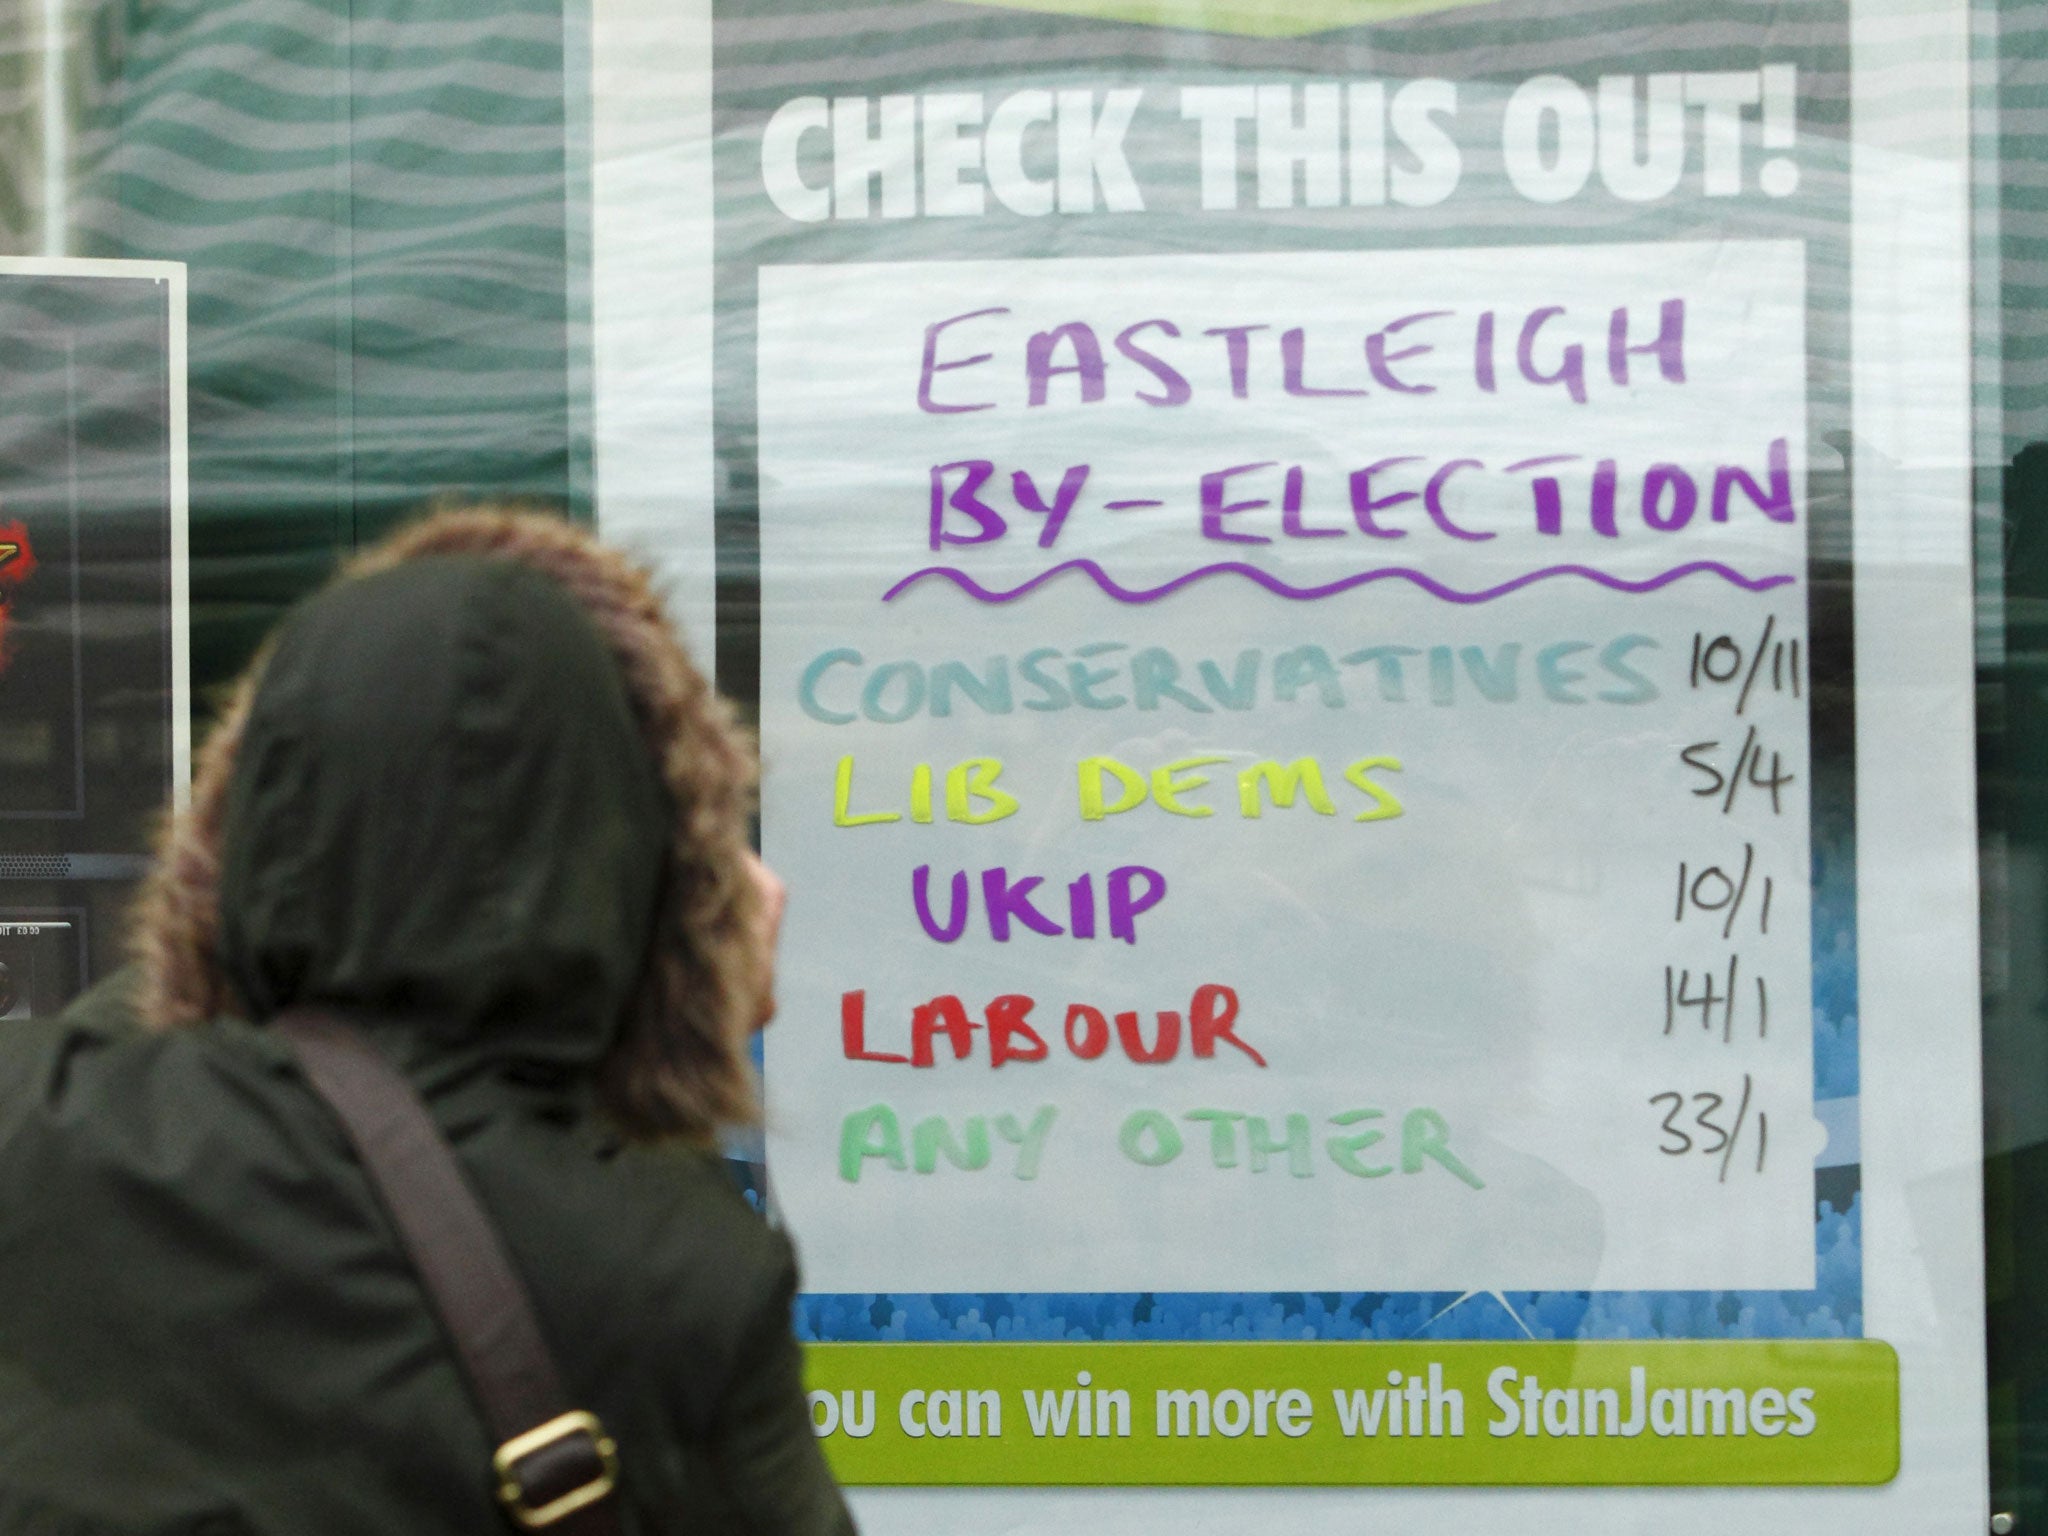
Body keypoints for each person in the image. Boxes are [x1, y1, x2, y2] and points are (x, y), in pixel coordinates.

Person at [0, 507, 856, 1535]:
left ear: (248, 819)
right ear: (645, 859)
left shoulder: (47, 1119)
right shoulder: (679, 1267)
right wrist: (689, 1006)